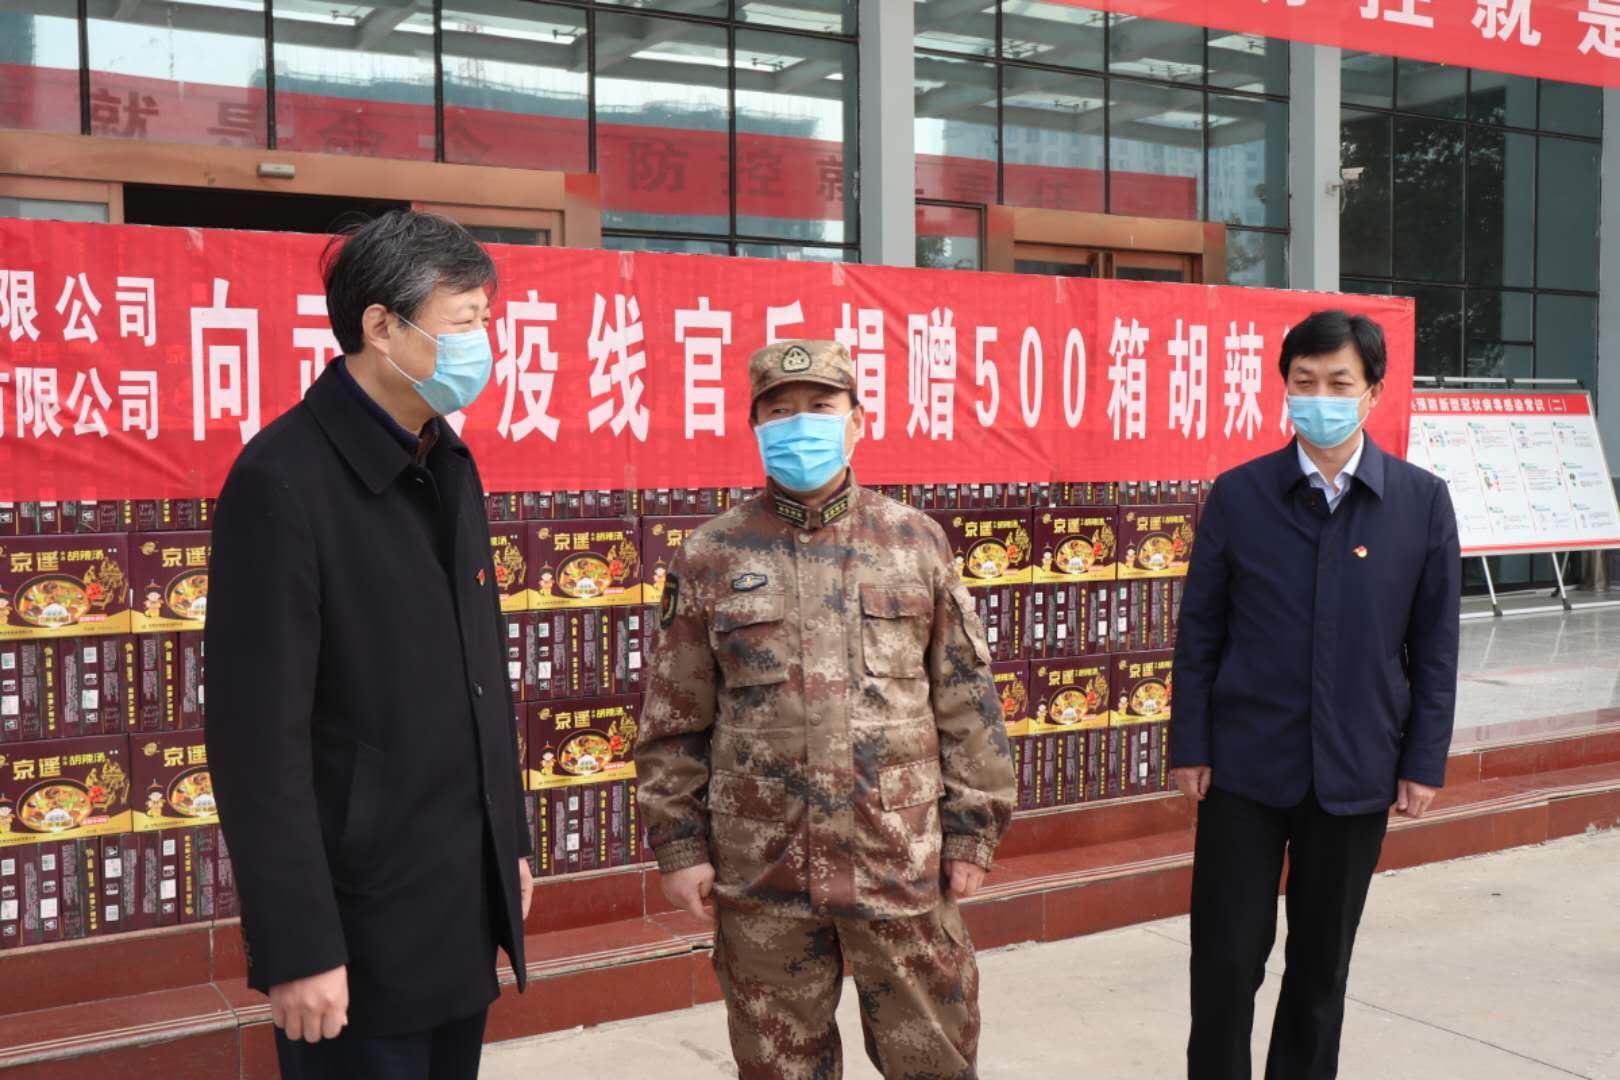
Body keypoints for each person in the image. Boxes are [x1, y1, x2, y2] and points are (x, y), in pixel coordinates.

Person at [205, 210, 532, 1080]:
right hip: (355, 929)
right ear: (382, 326)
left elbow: (482, 678)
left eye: (486, 320)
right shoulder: (282, 481)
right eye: (464, 321)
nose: (483, 344)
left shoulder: (446, 459)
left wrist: (509, 844)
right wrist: (297, 945)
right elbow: (255, 742)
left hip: (458, 901)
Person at [636, 340, 1016, 1080]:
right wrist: (680, 848)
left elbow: (966, 700)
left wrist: (974, 833)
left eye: (820, 406)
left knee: (933, 1064)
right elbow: (674, 720)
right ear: (755, 428)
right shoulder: (712, 553)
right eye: (780, 411)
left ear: (857, 421)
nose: (800, 424)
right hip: (765, 873)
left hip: (900, 862)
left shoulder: (913, 541)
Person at [1171, 309, 1461, 1080]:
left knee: (1321, 967)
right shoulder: (1240, 495)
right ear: (1284, 388)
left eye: (1339, 382)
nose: (1321, 398)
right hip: (1244, 768)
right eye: (1305, 382)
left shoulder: (1420, 501)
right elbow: (1200, 631)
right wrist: (1190, 744)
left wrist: (1423, 760)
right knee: (1225, 960)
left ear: (1373, 393)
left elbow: (1435, 647)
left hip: (1357, 767)